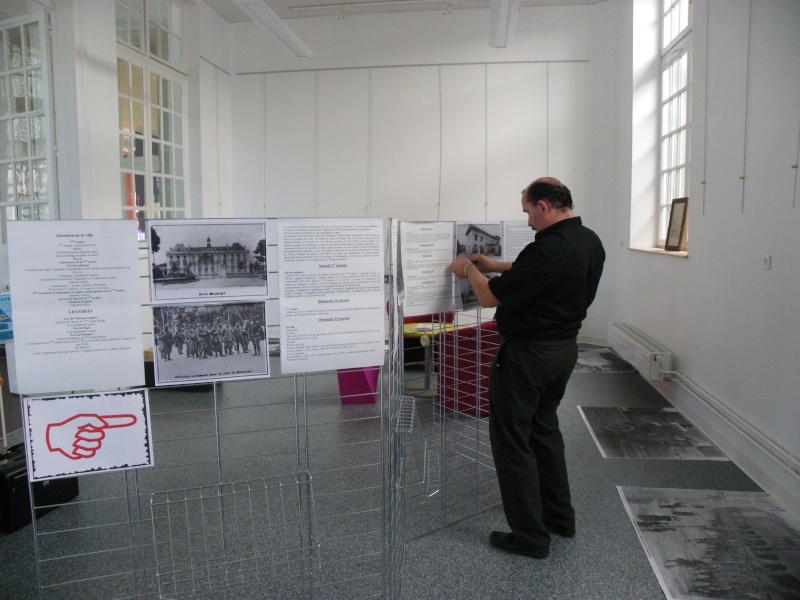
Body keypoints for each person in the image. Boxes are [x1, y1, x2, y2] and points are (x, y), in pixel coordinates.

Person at [449, 177, 605, 559]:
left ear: (544, 207)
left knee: (513, 441)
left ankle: (530, 537)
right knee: (544, 431)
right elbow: (534, 271)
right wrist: (495, 264)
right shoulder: (589, 241)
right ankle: (559, 518)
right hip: (563, 352)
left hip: (526, 357)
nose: (528, 221)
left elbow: (488, 295)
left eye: (527, 212)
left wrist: (468, 268)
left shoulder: (546, 250)